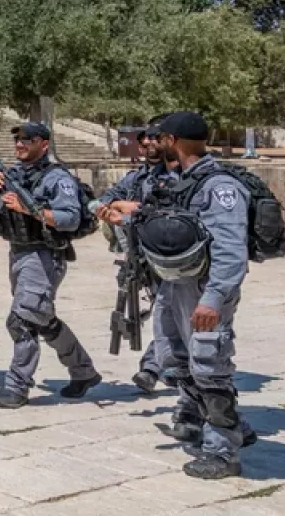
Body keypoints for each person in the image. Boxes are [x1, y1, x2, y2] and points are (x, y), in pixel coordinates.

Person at [138, 111, 257, 479]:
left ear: (173, 140)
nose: (153, 142)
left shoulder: (218, 186)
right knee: (174, 359)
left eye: (159, 137)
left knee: (209, 368)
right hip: (175, 285)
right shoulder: (184, 181)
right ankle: (231, 426)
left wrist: (214, 299)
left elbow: (230, 250)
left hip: (204, 290)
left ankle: (223, 453)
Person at [0, 122, 100, 409]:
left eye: (27, 139)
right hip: (19, 253)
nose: (20, 144)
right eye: (18, 140)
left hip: (45, 256)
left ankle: (16, 386)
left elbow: (71, 218)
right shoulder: (14, 175)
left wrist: (31, 210)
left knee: (21, 321)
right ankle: (84, 371)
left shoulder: (56, 178)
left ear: (44, 145)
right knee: (42, 320)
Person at [95, 116, 178, 394]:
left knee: (167, 311)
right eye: (145, 138)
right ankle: (172, 364)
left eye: (155, 137)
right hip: (144, 256)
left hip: (175, 256)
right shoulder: (137, 177)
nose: (146, 143)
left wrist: (136, 208)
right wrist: (114, 206)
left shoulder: (182, 177)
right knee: (167, 312)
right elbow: (102, 200)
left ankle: (152, 367)